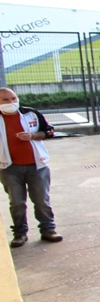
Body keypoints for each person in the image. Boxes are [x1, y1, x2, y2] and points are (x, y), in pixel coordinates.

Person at [0, 88, 62, 247]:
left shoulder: (31, 114)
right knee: (17, 202)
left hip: (37, 166)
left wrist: (32, 136)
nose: (11, 103)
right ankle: (20, 233)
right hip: (9, 168)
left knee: (42, 199)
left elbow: (49, 131)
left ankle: (48, 229)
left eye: (13, 98)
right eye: (5, 100)